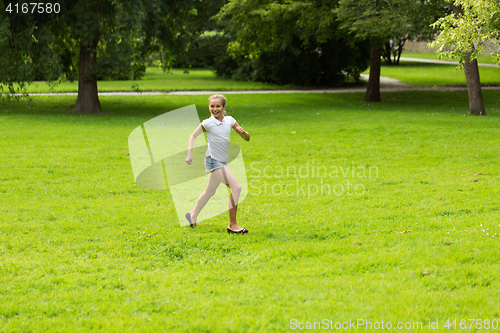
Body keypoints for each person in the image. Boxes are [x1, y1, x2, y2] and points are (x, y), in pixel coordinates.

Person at [185, 94, 250, 233]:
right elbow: (193, 136)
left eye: (218, 106)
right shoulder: (207, 123)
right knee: (236, 188)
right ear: (209, 107)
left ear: (224, 107)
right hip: (214, 161)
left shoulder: (230, 121)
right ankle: (232, 225)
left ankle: (192, 215)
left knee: (209, 192)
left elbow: (247, 138)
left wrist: (243, 132)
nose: (215, 109)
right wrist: (189, 153)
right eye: (212, 106)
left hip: (222, 161)